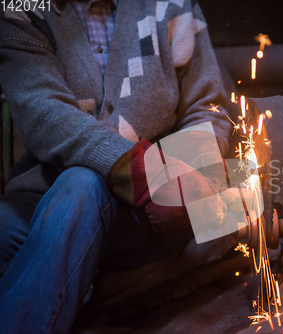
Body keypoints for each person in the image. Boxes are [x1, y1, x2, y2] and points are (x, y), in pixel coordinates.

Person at [0, 0, 232, 332]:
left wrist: (181, 183)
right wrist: (145, 172)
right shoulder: (22, 7)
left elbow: (207, 108)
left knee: (81, 185)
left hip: (142, 215)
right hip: (43, 194)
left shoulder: (171, 6)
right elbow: (43, 112)